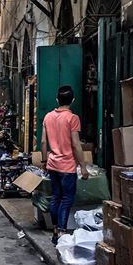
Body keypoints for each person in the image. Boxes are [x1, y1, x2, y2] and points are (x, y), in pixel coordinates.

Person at [41, 85, 89, 245]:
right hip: (67, 166)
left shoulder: (47, 117)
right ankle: (61, 231)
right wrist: (83, 166)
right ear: (73, 100)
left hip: (52, 164)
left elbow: (42, 142)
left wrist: (43, 161)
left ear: (57, 99)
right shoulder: (72, 118)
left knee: (55, 197)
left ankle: (55, 229)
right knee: (67, 199)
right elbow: (76, 144)